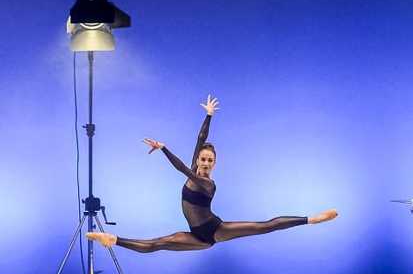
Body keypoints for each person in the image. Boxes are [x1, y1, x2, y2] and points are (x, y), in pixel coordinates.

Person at [87, 95, 337, 252]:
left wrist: (163, 148)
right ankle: (113, 239)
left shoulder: (206, 183)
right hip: (197, 237)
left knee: (264, 226)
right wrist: (208, 116)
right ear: (199, 159)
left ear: (214, 165)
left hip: (213, 230)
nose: (205, 163)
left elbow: (182, 168)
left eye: (210, 161)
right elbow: (200, 139)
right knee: (158, 244)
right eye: (203, 159)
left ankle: (311, 219)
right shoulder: (196, 163)